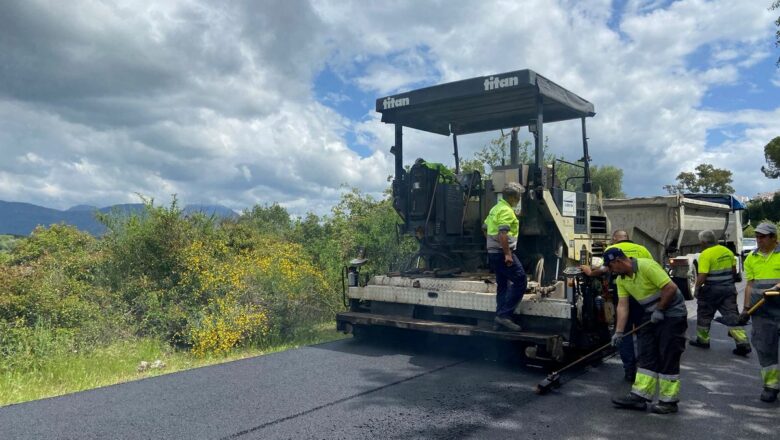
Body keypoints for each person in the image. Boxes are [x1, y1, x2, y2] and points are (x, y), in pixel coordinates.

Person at [605, 247, 688, 414]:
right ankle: (640, 396)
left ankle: (668, 402)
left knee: (667, 354)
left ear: (618, 261)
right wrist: (619, 332)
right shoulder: (622, 280)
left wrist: (660, 309)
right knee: (646, 353)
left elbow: (670, 288)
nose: (611, 271)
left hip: (672, 312)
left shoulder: (646, 266)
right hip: (651, 314)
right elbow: (622, 305)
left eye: (611, 267)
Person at [581, 230, 653, 382]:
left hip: (622, 294)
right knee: (643, 332)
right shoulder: (642, 249)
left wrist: (589, 272)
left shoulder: (610, 251)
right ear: (627, 239)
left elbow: (604, 269)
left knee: (623, 331)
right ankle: (644, 368)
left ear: (614, 240)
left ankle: (629, 370)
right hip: (644, 296)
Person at [688, 230, 751, 356]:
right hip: (728, 288)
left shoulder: (706, 254)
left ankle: (703, 340)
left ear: (703, 242)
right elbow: (733, 270)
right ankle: (742, 343)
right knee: (732, 316)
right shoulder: (727, 251)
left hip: (711, 290)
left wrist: (697, 289)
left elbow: (702, 275)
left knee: (704, 315)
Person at [742, 222, 780, 403]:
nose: (759, 240)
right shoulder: (751, 258)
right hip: (762, 313)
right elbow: (749, 285)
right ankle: (771, 386)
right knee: (765, 349)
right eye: (757, 236)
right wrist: (746, 308)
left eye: (763, 237)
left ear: (774, 238)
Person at [484, 182, 527, 331]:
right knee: (521, 280)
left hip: (493, 253)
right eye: (519, 196)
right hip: (503, 254)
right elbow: (503, 233)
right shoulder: (507, 211)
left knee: (503, 285)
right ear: (514, 197)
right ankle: (504, 315)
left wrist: (491, 244)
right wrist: (507, 254)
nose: (519, 198)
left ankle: (498, 319)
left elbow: (484, 228)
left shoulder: (495, 209)